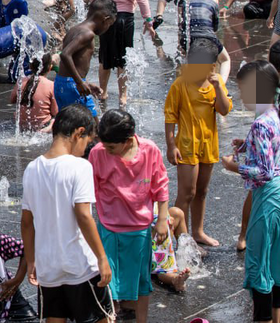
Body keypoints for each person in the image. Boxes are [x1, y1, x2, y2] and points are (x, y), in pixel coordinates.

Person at [21, 104, 113, 323]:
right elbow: (83, 215)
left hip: (48, 266)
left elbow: (26, 222)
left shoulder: (32, 168)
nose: (85, 149)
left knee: (54, 318)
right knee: (102, 318)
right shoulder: (79, 166)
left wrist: (31, 260)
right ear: (78, 133)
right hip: (80, 264)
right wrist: (102, 258)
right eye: (87, 142)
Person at [89, 109, 169, 323]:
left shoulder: (150, 150)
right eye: (104, 144)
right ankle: (111, 317)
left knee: (141, 283)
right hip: (109, 228)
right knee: (107, 282)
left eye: (111, 147)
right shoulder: (97, 153)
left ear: (127, 140)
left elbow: (160, 185)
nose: (106, 149)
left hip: (139, 229)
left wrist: (162, 219)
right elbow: (88, 191)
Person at [221, 61, 280, 323]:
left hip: (267, 199)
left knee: (258, 266)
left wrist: (235, 166)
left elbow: (265, 171)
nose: (240, 94)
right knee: (276, 264)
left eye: (243, 89)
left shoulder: (259, 125)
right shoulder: (274, 114)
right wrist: (247, 145)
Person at [164, 38, 232, 246]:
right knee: (187, 192)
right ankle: (175, 238)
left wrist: (218, 88)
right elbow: (170, 116)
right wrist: (171, 145)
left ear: (213, 66)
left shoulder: (216, 83)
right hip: (186, 144)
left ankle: (198, 232)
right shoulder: (180, 84)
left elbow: (224, 109)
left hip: (208, 142)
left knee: (201, 191)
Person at [90, 0, 156, 106]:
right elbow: (142, 0)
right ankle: (123, 96)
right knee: (123, 60)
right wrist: (149, 21)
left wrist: (97, 11)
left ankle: (102, 92)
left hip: (106, 18)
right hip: (125, 20)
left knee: (104, 58)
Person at [54, 0, 118, 116]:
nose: (107, 29)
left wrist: (85, 83)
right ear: (105, 19)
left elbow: (73, 62)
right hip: (73, 85)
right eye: (109, 25)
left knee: (69, 125)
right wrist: (79, 82)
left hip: (61, 83)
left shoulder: (74, 29)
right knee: (92, 127)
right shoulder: (88, 34)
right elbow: (65, 54)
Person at [185, 0, 231, 81]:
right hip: (208, 37)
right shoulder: (212, 4)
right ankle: (222, 86)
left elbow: (183, 25)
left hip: (193, 38)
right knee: (225, 60)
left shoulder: (188, 3)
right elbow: (215, 28)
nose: (217, 3)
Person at [9, 53, 57, 133]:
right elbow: (55, 111)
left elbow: (12, 100)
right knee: (57, 118)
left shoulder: (21, 81)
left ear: (30, 66)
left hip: (22, 125)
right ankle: (48, 128)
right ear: (50, 68)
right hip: (42, 126)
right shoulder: (51, 85)